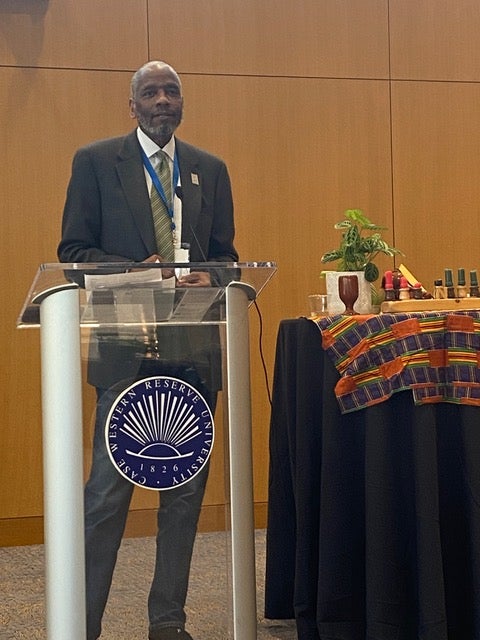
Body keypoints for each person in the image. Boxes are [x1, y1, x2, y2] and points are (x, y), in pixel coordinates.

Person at [58, 60, 238, 640]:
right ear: (131, 106)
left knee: (184, 502)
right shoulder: (94, 163)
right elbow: (74, 255)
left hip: (193, 353)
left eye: (172, 91)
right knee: (106, 499)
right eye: (150, 93)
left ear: (181, 103)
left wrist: (212, 276)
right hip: (125, 350)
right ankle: (82, 624)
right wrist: (142, 273)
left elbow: (228, 257)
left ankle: (168, 622)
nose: (163, 100)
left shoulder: (209, 170)